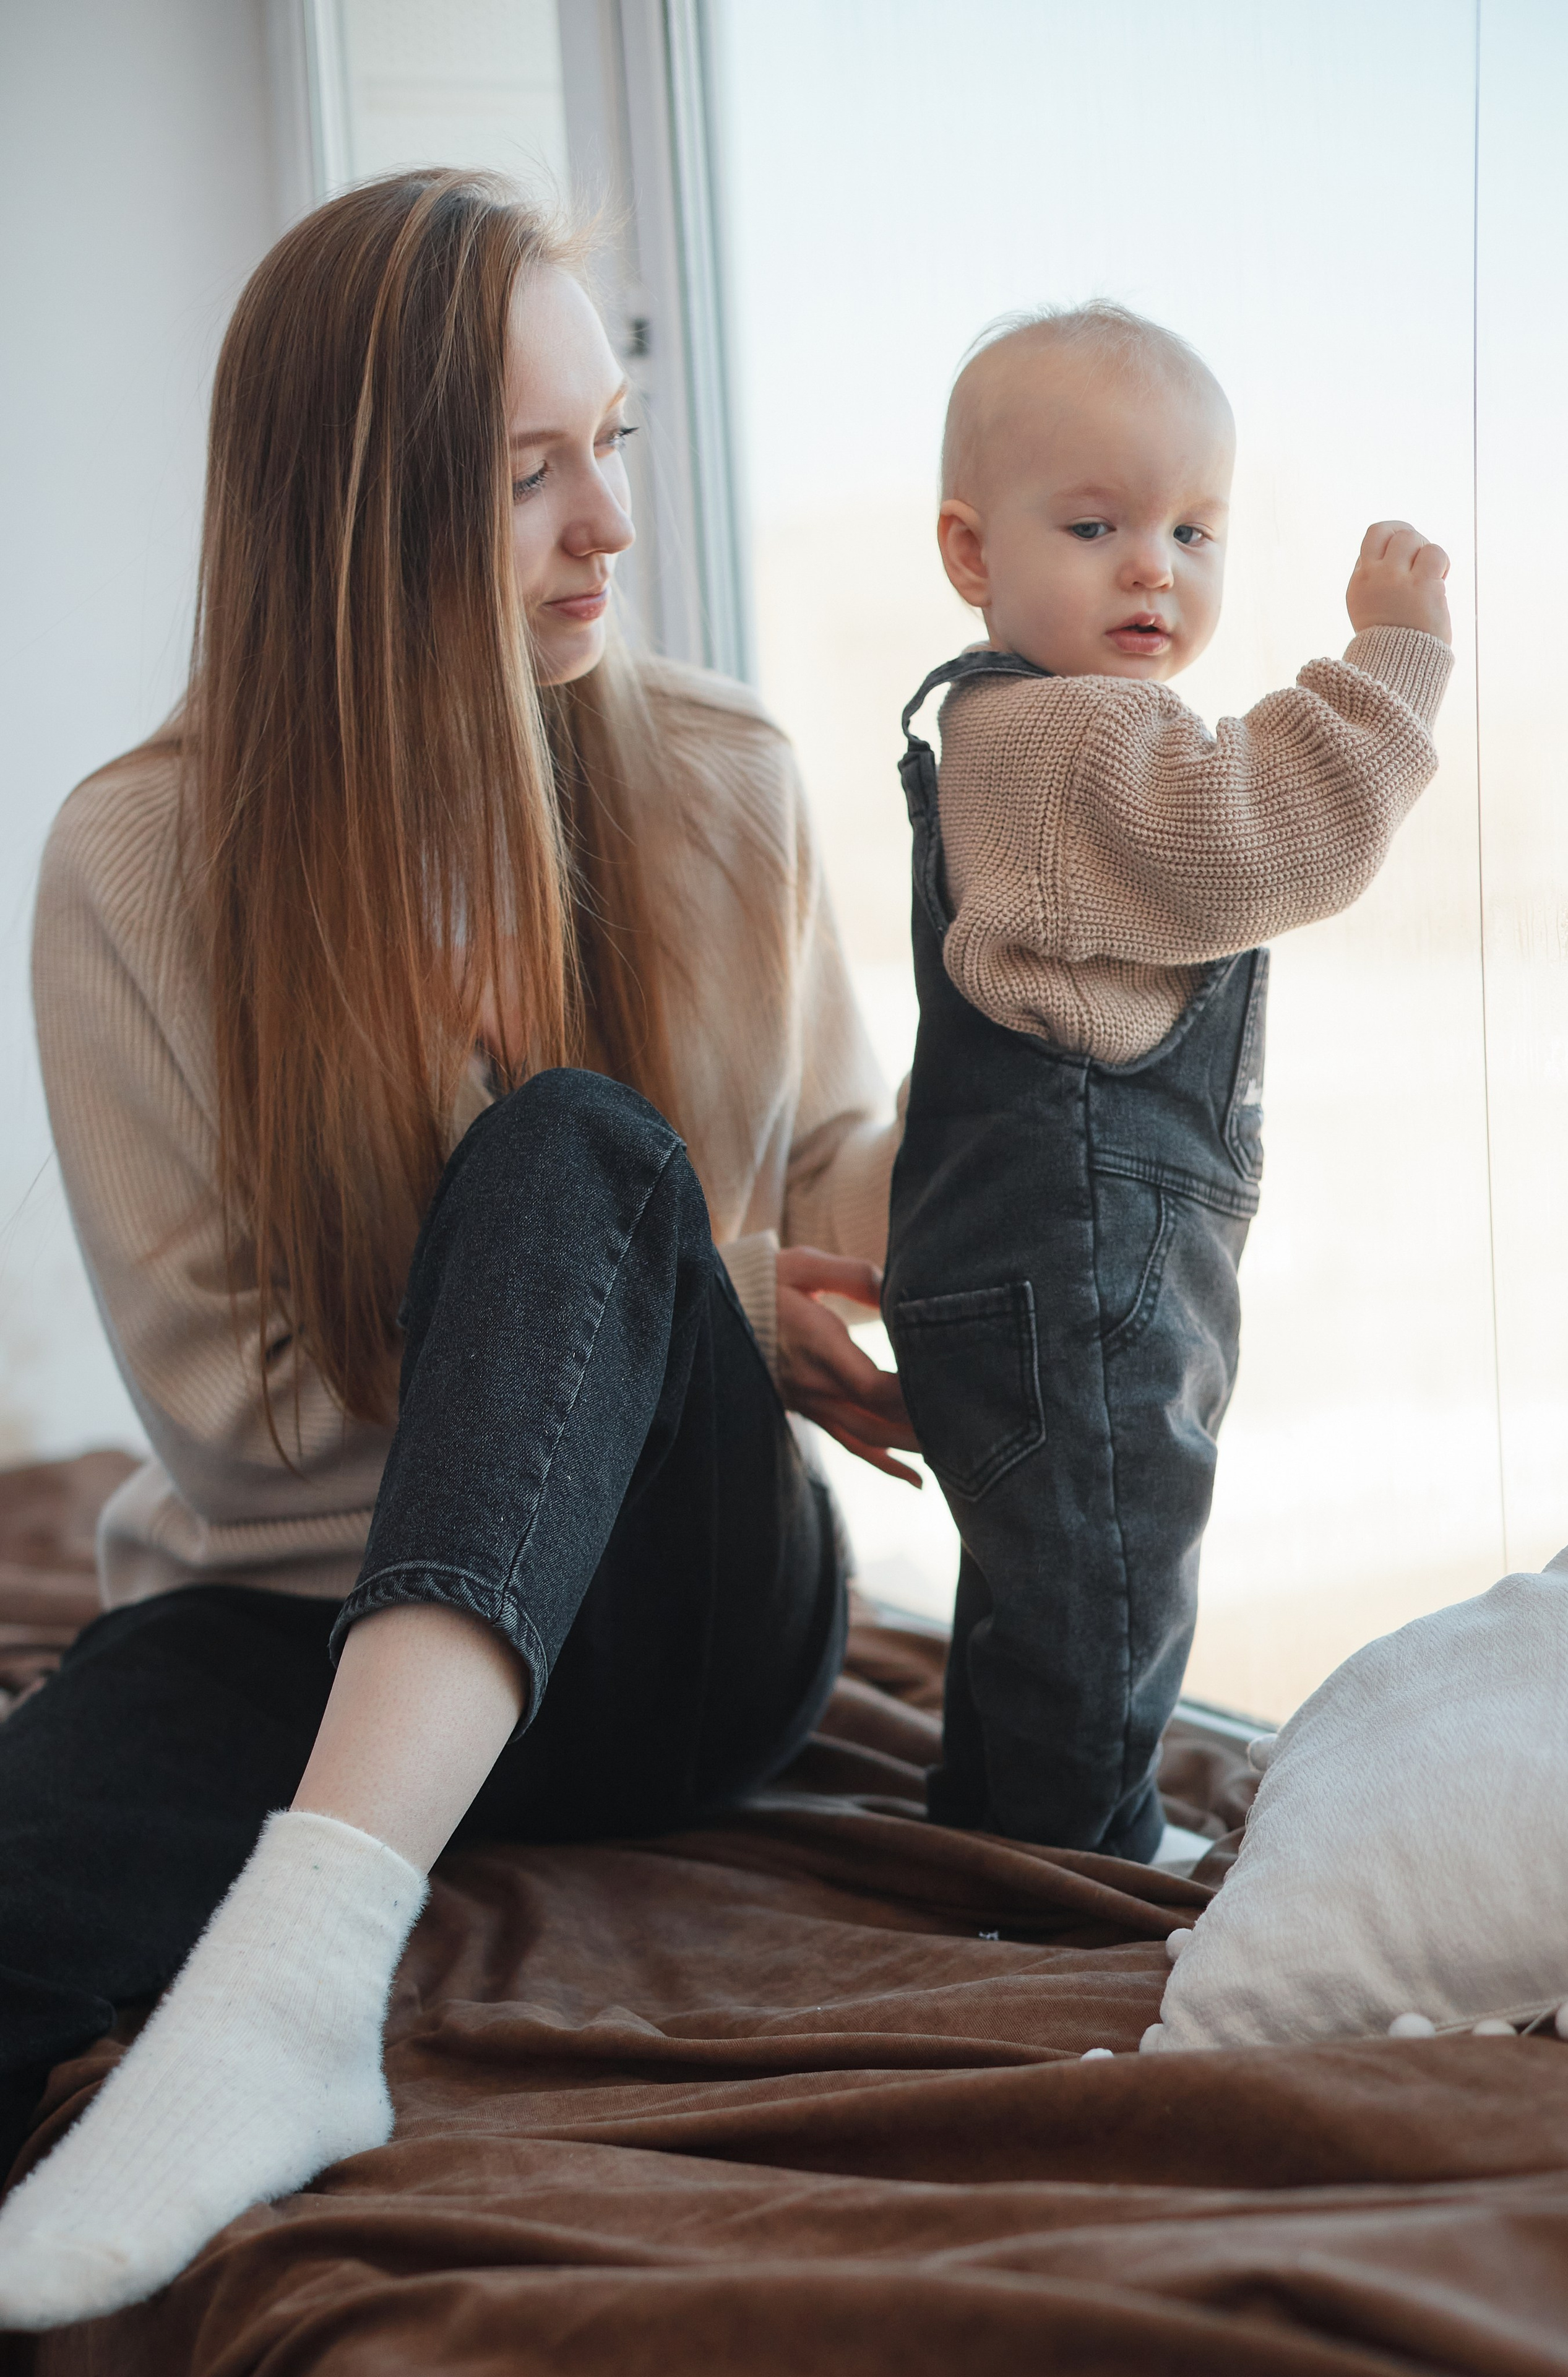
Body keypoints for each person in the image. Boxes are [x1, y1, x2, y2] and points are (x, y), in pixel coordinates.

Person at [0, 170, 915, 2331]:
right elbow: (242, 1434)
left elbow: (843, 1137)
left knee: (582, 1155)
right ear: (351, 516)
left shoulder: (724, 779)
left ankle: (295, 1979)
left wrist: (978, 1190)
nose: (609, 523)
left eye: (615, 440)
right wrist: (683, 1280)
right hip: (290, 1616)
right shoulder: (139, 864)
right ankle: (308, 1932)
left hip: (682, 1627)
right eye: (530, 478)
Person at [881, 301, 1452, 1865]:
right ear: (967, 550)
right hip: (1072, 1285)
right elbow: (1264, 831)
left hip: (1008, 1266)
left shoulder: (1011, 732)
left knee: (1038, 1588)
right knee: (1110, 1588)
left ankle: (988, 1844)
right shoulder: (1066, 749)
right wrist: (1389, 668)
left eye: (1193, 528)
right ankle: (1082, 1872)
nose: (1155, 565)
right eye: (1096, 524)